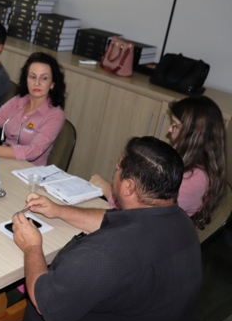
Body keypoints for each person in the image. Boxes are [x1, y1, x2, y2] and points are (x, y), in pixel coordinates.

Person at [0, 136, 202, 321]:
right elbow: (110, 219)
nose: (114, 174)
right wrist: (58, 211)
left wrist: (32, 247)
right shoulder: (180, 222)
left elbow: (44, 301)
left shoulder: (110, 253)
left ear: (128, 187)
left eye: (117, 169)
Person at [90, 95, 226, 229]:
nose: (169, 129)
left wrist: (106, 187)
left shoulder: (193, 179)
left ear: (193, 136)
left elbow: (138, 214)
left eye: (176, 126)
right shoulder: (186, 166)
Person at [0, 52, 66, 166]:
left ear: (52, 84)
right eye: (32, 77)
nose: (37, 83)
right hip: (2, 161)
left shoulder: (55, 115)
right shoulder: (19, 100)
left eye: (44, 78)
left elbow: (34, 151)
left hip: (29, 172)